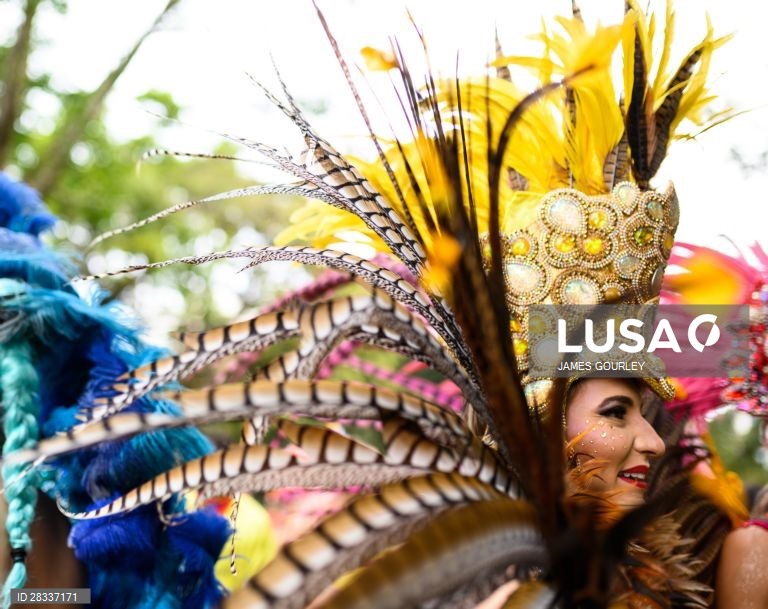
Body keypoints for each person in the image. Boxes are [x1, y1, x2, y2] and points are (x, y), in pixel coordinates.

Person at [1, 2, 741, 608]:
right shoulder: (465, 578)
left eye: (643, 410)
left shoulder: (707, 565)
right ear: (541, 417)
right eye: (618, 411)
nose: (650, 438)